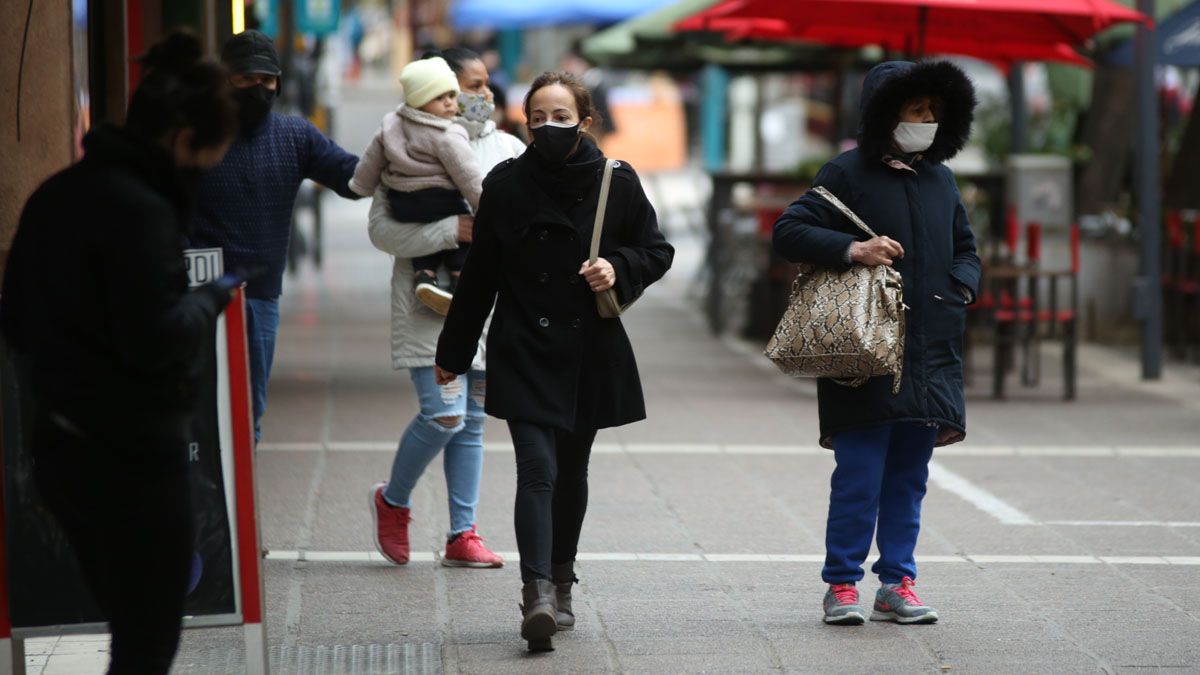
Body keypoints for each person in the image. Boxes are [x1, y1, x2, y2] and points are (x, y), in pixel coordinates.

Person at [0, 32, 240, 674]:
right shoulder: (143, 213)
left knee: (129, 625)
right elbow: (157, 338)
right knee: (147, 640)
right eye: (210, 159)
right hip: (134, 458)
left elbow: (15, 323)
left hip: (60, 449)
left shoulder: (57, 194)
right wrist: (211, 296)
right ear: (183, 141)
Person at [435, 72, 674, 652]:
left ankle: (561, 581)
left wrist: (618, 266)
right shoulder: (506, 184)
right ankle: (536, 592)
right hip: (524, 345)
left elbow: (657, 250)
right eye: (537, 117)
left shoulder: (616, 181)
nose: (547, 128)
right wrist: (454, 352)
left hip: (589, 346)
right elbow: (482, 274)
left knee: (572, 470)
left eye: (560, 117)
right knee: (536, 468)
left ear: (586, 122)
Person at [772, 60, 981, 627]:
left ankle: (898, 583)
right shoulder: (845, 172)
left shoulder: (940, 177)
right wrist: (852, 250)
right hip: (862, 352)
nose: (928, 121)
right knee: (859, 475)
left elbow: (967, 248)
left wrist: (960, 286)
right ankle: (841, 585)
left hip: (931, 352)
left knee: (910, 478)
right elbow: (788, 230)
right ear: (887, 113)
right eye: (917, 111)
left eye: (934, 112)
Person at [367, 48, 525, 569]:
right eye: (468, 86)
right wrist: (450, 230)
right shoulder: (404, 146)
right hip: (427, 306)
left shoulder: (508, 148)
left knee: (474, 420)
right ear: (434, 96)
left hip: (489, 308)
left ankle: (463, 534)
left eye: (485, 85)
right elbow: (381, 231)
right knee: (444, 415)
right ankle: (393, 501)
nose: (481, 95)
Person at [189, 29, 361, 443]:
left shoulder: (296, 136)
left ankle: (239, 501)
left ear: (279, 82)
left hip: (261, 294)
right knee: (197, 402)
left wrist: (405, 152)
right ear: (224, 80)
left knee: (251, 406)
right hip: (195, 289)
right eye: (245, 78)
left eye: (266, 80)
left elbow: (352, 177)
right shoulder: (195, 136)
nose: (258, 88)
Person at [350, 56, 484, 315]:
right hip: (440, 199)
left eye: (451, 96)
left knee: (424, 235)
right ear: (419, 100)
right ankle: (458, 279)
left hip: (402, 203)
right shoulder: (447, 134)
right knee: (464, 236)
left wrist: (360, 186)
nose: (449, 103)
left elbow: (370, 161)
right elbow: (468, 177)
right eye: (439, 97)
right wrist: (485, 204)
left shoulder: (390, 125)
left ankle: (425, 275)